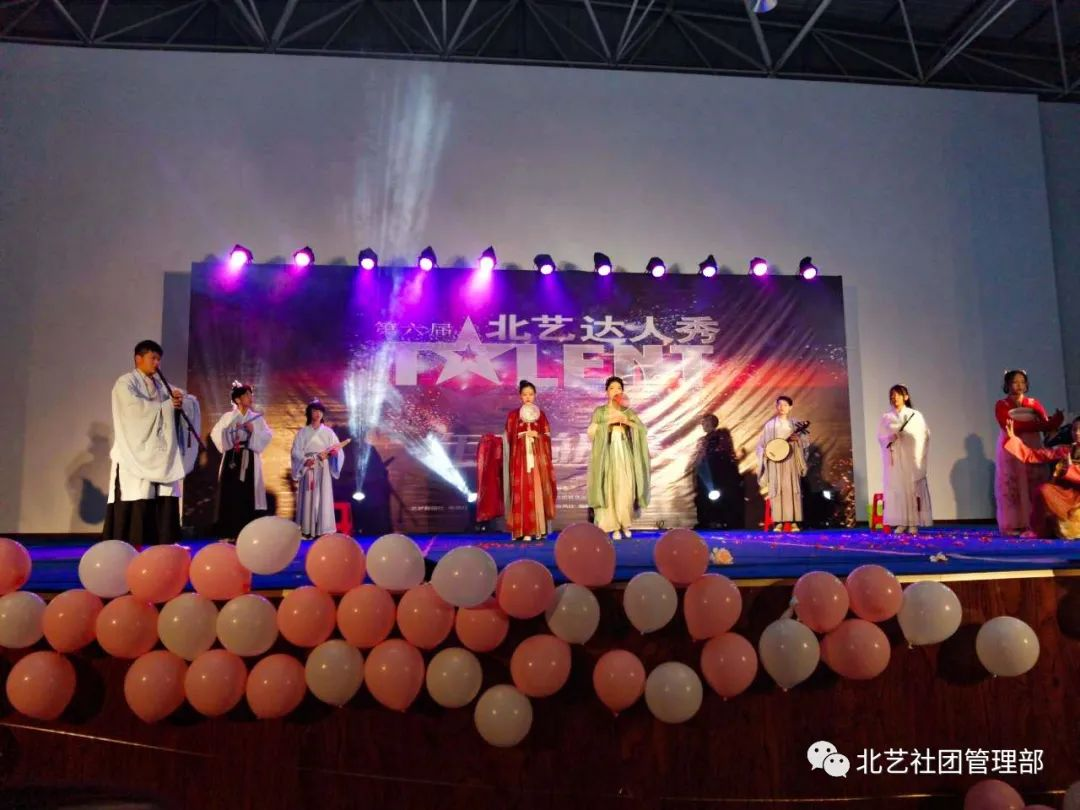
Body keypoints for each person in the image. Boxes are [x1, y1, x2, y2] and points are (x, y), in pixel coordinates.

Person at [102, 340, 193, 545]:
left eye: (159, 359)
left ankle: (162, 544)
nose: (157, 363)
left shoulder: (160, 384)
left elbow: (181, 397)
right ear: (138, 359)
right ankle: (130, 546)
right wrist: (166, 406)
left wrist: (181, 400)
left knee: (162, 495)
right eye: (153, 358)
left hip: (158, 453)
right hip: (134, 452)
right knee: (137, 493)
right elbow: (133, 410)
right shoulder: (126, 383)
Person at [994, 370, 1063, 534]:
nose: (1019, 385)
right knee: (1013, 484)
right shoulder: (1001, 404)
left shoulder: (1033, 403)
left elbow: (1046, 423)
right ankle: (1014, 523)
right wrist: (1040, 426)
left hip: (1032, 443)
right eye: (1015, 382)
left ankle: (1036, 523)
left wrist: (1055, 421)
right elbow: (1009, 425)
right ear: (1007, 385)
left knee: (1034, 482)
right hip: (1011, 445)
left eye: (1022, 381)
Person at [586, 376, 650, 540]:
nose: (616, 391)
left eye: (619, 388)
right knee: (609, 488)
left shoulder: (627, 411)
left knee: (625, 487)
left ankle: (625, 524)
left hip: (624, 452)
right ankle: (613, 526)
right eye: (612, 388)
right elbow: (591, 432)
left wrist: (628, 423)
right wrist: (608, 423)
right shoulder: (600, 411)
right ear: (606, 392)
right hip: (607, 454)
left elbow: (642, 430)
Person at [209, 381, 273, 540]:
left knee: (247, 494)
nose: (250, 397)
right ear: (237, 399)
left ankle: (247, 534)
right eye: (246, 395)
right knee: (230, 493)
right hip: (232, 457)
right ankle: (228, 532)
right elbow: (215, 434)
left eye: (251, 394)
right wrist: (230, 431)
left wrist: (253, 431)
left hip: (248, 457)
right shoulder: (228, 417)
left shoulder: (256, 418)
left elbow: (267, 435)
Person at [1004, 416, 1080, 539]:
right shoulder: (1065, 450)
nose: (1077, 433)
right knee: (1043, 490)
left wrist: (1071, 468)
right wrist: (1013, 439)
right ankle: (1038, 530)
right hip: (1066, 494)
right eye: (1074, 429)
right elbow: (1034, 455)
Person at [505, 380, 557, 542]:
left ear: (535, 395)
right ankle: (521, 530)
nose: (528, 397)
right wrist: (521, 436)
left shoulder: (540, 415)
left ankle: (537, 529)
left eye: (531, 394)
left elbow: (547, 436)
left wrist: (537, 435)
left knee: (536, 490)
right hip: (520, 460)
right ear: (520, 396)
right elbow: (508, 438)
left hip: (536, 458)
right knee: (521, 490)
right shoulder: (513, 416)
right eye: (525, 394)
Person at [876, 384, 932, 534]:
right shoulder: (887, 417)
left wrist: (906, 435)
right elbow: (881, 437)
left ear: (905, 397)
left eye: (898, 394)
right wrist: (890, 437)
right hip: (895, 459)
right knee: (897, 490)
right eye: (892, 395)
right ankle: (900, 522)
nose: (894, 398)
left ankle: (913, 523)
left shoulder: (915, 415)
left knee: (911, 490)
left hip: (910, 458)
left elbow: (923, 435)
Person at [290, 400, 344, 537]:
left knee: (323, 495)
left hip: (323, 466)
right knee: (308, 495)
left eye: (320, 411)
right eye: (314, 411)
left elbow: (338, 450)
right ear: (309, 413)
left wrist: (335, 454)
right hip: (309, 466)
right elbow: (295, 451)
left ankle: (323, 529)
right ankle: (307, 529)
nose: (318, 413)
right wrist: (304, 461)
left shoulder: (329, 432)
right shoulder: (303, 432)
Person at [756, 396, 808, 532]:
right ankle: (778, 522)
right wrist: (765, 452)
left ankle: (794, 522)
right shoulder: (770, 425)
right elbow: (761, 444)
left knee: (791, 488)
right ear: (776, 407)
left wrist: (798, 441)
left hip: (791, 459)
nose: (782, 407)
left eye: (785, 405)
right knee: (777, 489)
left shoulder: (795, 424)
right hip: (775, 461)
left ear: (790, 407)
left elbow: (805, 444)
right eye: (779, 405)